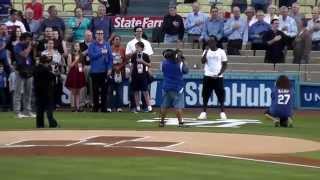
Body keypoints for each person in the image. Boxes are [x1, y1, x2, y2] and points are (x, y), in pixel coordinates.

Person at [198, 37, 228, 120]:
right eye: (208, 42)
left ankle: (222, 112)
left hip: (218, 77)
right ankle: (204, 112)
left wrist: (220, 73)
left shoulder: (221, 51)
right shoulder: (206, 51)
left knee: (220, 95)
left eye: (211, 42)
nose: (210, 43)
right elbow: (202, 61)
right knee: (205, 95)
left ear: (215, 42)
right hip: (207, 75)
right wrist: (206, 51)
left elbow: (225, 64)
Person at [159, 49, 189, 127]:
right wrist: (184, 60)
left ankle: (161, 122)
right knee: (178, 106)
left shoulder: (163, 63)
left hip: (166, 87)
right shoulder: (180, 64)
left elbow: (163, 70)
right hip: (177, 88)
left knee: (164, 105)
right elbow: (186, 71)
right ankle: (181, 123)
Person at [88, 29, 113, 112]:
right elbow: (91, 56)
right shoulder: (92, 45)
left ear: (103, 35)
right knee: (95, 91)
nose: (100, 35)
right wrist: (101, 52)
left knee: (104, 91)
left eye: (101, 33)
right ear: (95, 35)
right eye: (98, 33)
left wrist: (109, 68)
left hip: (104, 71)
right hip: (95, 71)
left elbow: (110, 58)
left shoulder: (107, 44)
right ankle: (95, 107)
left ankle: (104, 108)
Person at [13, 32, 35, 118]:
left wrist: (33, 47)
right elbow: (24, 55)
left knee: (28, 92)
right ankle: (17, 112)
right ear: (24, 39)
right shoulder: (17, 46)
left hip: (29, 70)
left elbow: (33, 56)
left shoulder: (28, 46)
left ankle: (27, 111)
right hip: (20, 71)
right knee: (18, 92)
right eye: (29, 39)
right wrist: (30, 46)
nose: (30, 41)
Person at [33, 55, 59, 128]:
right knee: (49, 109)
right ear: (46, 63)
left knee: (39, 109)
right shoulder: (46, 69)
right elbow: (53, 77)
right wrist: (53, 71)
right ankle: (52, 124)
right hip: (47, 92)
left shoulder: (36, 68)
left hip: (38, 92)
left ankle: (39, 124)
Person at [41, 39, 65, 108]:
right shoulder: (43, 53)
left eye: (52, 43)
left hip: (55, 73)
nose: (51, 45)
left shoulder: (57, 53)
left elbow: (60, 63)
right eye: (49, 43)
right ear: (47, 44)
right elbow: (42, 63)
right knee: (46, 90)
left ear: (53, 45)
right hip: (46, 73)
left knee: (55, 89)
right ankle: (46, 104)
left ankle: (55, 104)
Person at [130, 41, 152, 112]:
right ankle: (138, 106)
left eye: (138, 47)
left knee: (145, 91)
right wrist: (130, 75)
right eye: (136, 47)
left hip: (143, 75)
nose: (137, 48)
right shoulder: (133, 55)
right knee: (136, 91)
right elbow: (132, 66)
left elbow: (149, 65)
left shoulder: (145, 55)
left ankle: (149, 106)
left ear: (142, 48)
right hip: (135, 75)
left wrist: (142, 61)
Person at [65, 42, 86, 112]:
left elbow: (82, 65)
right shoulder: (70, 55)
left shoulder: (81, 55)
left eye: (78, 46)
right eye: (75, 46)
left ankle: (78, 106)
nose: (77, 47)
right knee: (73, 91)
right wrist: (76, 60)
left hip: (79, 73)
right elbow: (69, 65)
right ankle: (73, 106)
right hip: (73, 73)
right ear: (73, 47)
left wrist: (82, 68)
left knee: (78, 91)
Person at [108, 35, 127, 112]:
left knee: (119, 90)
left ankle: (119, 107)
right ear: (113, 41)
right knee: (110, 90)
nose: (117, 41)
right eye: (116, 39)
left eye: (118, 39)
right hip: (112, 72)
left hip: (120, 72)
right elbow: (108, 60)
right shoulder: (110, 48)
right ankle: (110, 106)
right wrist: (113, 67)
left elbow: (126, 60)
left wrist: (120, 66)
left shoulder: (123, 49)